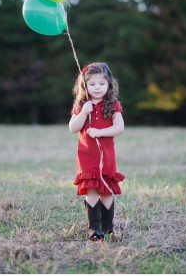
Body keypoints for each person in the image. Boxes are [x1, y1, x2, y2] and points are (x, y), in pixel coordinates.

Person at [68, 62, 124, 240]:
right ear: (84, 85)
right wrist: (84, 113)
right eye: (92, 84)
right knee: (91, 190)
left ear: (109, 84)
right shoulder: (82, 105)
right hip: (87, 157)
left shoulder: (112, 105)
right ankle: (94, 229)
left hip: (105, 157)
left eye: (101, 84)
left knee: (106, 191)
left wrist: (100, 132)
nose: (97, 88)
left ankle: (108, 228)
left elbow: (119, 128)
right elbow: (73, 128)